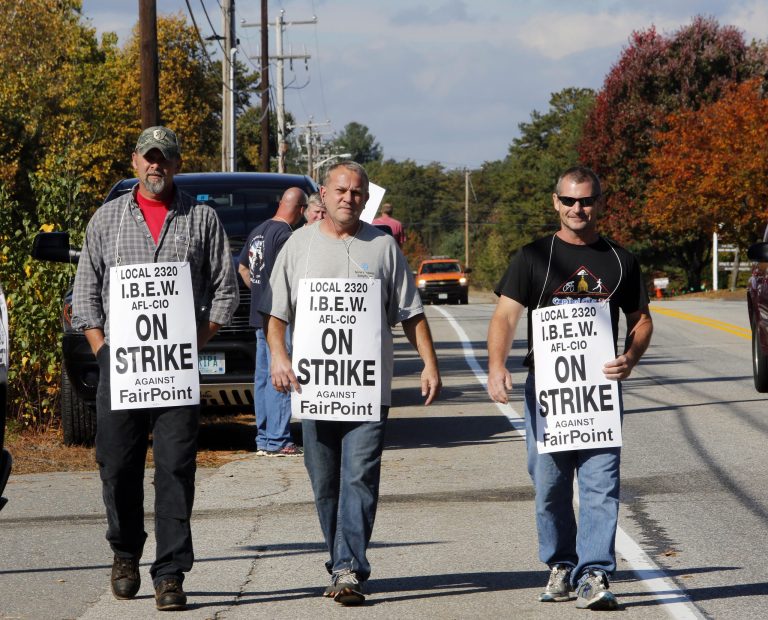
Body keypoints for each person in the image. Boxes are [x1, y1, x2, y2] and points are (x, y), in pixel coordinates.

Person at [71, 126, 238, 612]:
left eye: (164, 158)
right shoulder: (105, 221)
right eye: (148, 157)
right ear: (134, 161)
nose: (155, 166)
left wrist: (190, 344)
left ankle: (170, 573)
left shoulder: (201, 220)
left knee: (176, 470)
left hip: (175, 374)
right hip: (120, 371)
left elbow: (224, 294)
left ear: (176, 164)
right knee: (117, 465)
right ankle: (124, 552)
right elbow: (85, 298)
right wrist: (104, 353)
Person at [260, 161, 441, 606]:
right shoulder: (297, 246)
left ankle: (348, 569)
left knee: (359, 476)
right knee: (324, 482)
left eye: (357, 192)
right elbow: (276, 315)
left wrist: (429, 363)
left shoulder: (382, 247)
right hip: (314, 388)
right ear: (322, 194)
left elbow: (410, 312)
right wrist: (279, 358)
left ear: (366, 198)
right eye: (340, 190)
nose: (348, 198)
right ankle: (339, 557)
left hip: (367, 388)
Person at [486, 166, 653, 610]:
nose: (578, 208)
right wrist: (496, 366)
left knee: (601, 482)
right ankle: (561, 564)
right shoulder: (532, 257)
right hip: (548, 389)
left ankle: (595, 571)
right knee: (551, 485)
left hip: (600, 389)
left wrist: (630, 358)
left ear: (600, 202)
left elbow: (641, 320)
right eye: (570, 200)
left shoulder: (620, 260)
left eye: (587, 200)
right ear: (555, 203)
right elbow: (505, 316)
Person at [237, 187, 307, 456]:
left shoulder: (257, 231)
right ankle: (279, 440)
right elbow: (289, 278)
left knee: (264, 379)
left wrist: (258, 290)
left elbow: (243, 268)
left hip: (259, 315)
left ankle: (264, 438)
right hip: (280, 319)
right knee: (281, 376)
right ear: (300, 210)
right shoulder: (286, 235)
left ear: (281, 204)